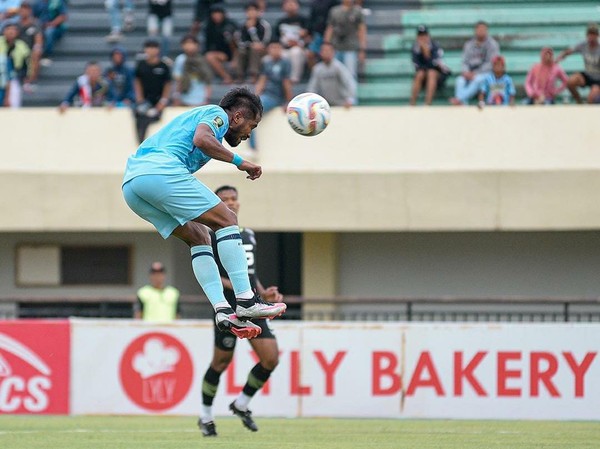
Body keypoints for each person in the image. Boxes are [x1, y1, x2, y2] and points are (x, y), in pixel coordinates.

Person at [121, 86, 287, 341]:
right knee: (228, 220)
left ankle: (223, 310)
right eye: (251, 127)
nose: (248, 134)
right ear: (238, 117)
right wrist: (242, 163)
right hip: (159, 171)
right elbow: (202, 140)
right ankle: (246, 300)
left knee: (199, 236)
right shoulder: (217, 114)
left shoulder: (208, 122)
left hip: (133, 186)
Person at [199, 185, 284, 437]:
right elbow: (210, 274)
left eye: (234, 199)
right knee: (220, 362)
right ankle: (205, 416)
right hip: (228, 309)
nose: (231, 203)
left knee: (271, 358)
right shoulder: (206, 234)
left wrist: (261, 293)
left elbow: (247, 273)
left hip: (250, 305)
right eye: (224, 199)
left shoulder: (247, 234)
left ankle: (241, 403)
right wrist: (238, 290)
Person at [250, 39, 293, 149]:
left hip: (275, 96)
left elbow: (286, 83)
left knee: (251, 114)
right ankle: (251, 146)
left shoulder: (285, 63)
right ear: (269, 50)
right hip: (265, 95)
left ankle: (253, 148)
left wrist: (288, 101)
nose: (275, 50)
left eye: (278, 48)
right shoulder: (266, 62)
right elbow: (262, 80)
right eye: (273, 48)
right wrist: (254, 96)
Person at [450, 21, 499, 106]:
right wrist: (466, 72)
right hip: (469, 73)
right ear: (475, 30)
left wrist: (475, 73)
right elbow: (464, 62)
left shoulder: (492, 44)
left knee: (478, 79)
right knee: (459, 81)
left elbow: (491, 64)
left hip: (486, 73)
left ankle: (459, 99)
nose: (481, 31)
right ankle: (463, 105)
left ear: (487, 31)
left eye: (483, 29)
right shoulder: (469, 44)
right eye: (479, 29)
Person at [133, 39, 172, 143]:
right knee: (138, 117)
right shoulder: (141, 64)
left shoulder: (163, 66)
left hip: (158, 100)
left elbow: (167, 84)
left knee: (152, 119)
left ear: (158, 50)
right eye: (148, 47)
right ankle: (140, 142)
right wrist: (140, 98)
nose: (151, 50)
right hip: (145, 101)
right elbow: (137, 81)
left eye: (153, 47)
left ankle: (145, 142)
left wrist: (163, 101)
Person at [555, 23, 600, 104]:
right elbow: (570, 51)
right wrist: (559, 57)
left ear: (597, 36)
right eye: (590, 35)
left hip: (598, 79)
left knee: (591, 98)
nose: (591, 38)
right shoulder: (583, 45)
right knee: (570, 82)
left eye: (593, 35)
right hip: (588, 75)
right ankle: (579, 101)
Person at [323, 0, 366, 80]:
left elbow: (362, 30)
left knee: (350, 74)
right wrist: (326, 44)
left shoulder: (357, 11)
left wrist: (362, 49)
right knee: (334, 74)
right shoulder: (334, 11)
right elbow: (330, 28)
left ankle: (351, 92)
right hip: (336, 47)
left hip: (351, 47)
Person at [409, 25, 450, 106]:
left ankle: (428, 103)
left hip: (438, 75)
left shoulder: (435, 46)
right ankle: (412, 104)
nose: (423, 38)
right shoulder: (415, 48)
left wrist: (427, 53)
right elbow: (417, 66)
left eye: (424, 35)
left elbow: (436, 64)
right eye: (420, 36)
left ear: (428, 36)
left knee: (431, 72)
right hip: (424, 75)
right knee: (420, 74)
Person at [307, 41, 355, 107]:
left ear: (333, 52)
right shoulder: (317, 69)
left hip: (341, 104)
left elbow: (349, 83)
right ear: (320, 53)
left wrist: (350, 99)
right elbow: (312, 87)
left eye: (328, 50)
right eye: (324, 51)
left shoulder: (338, 67)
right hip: (325, 105)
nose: (326, 53)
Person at [274, 0, 310, 83]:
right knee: (280, 54)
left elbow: (310, 37)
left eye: (293, 3)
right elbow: (276, 38)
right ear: (283, 6)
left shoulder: (304, 20)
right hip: (284, 47)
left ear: (298, 5)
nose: (290, 5)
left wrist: (299, 43)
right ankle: (280, 79)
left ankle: (294, 79)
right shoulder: (280, 22)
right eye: (287, 3)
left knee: (295, 52)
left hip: (300, 48)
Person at [235, 1, 271, 84]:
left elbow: (265, 41)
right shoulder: (242, 26)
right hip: (247, 48)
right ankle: (239, 76)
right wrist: (250, 44)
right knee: (241, 51)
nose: (251, 13)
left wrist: (252, 30)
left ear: (258, 12)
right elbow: (240, 41)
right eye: (249, 10)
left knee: (255, 50)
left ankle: (254, 75)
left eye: (254, 10)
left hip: (262, 50)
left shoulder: (264, 25)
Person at [173, 34, 213, 106]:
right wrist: (177, 96)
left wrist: (207, 98)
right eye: (187, 43)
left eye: (192, 43)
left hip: (200, 98)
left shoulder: (202, 60)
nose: (189, 46)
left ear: (197, 45)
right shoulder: (180, 59)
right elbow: (178, 79)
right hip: (184, 98)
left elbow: (208, 80)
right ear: (182, 45)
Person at [203, 3, 238, 84]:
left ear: (223, 14)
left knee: (231, 38)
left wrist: (235, 58)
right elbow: (207, 45)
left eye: (219, 13)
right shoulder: (208, 26)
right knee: (209, 56)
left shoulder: (230, 24)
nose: (216, 15)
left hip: (232, 52)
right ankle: (226, 77)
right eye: (214, 13)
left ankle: (227, 77)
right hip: (218, 52)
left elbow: (236, 43)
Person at [0, 22, 30, 107]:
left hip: (14, 76)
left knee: (13, 101)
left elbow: (26, 63)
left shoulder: (21, 45)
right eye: (8, 29)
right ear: (4, 31)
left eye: (13, 29)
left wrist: (27, 78)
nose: (11, 31)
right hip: (1, 74)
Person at [306, 0, 338, 69]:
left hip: (333, 35)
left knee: (329, 56)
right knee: (310, 55)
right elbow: (312, 19)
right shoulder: (314, 3)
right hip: (318, 34)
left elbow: (336, 18)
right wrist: (309, 33)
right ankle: (316, 74)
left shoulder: (334, 2)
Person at [33, 0, 67, 64]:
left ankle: (46, 55)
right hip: (40, 27)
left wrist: (51, 24)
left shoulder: (58, 2)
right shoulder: (37, 3)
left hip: (56, 27)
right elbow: (33, 17)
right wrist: (39, 24)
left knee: (49, 32)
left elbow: (63, 16)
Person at [17, 2, 42, 89]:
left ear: (30, 11)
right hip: (17, 50)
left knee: (36, 53)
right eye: (22, 10)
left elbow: (38, 39)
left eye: (25, 10)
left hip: (30, 49)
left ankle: (31, 80)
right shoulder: (16, 24)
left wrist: (37, 48)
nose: (23, 12)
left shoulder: (35, 24)